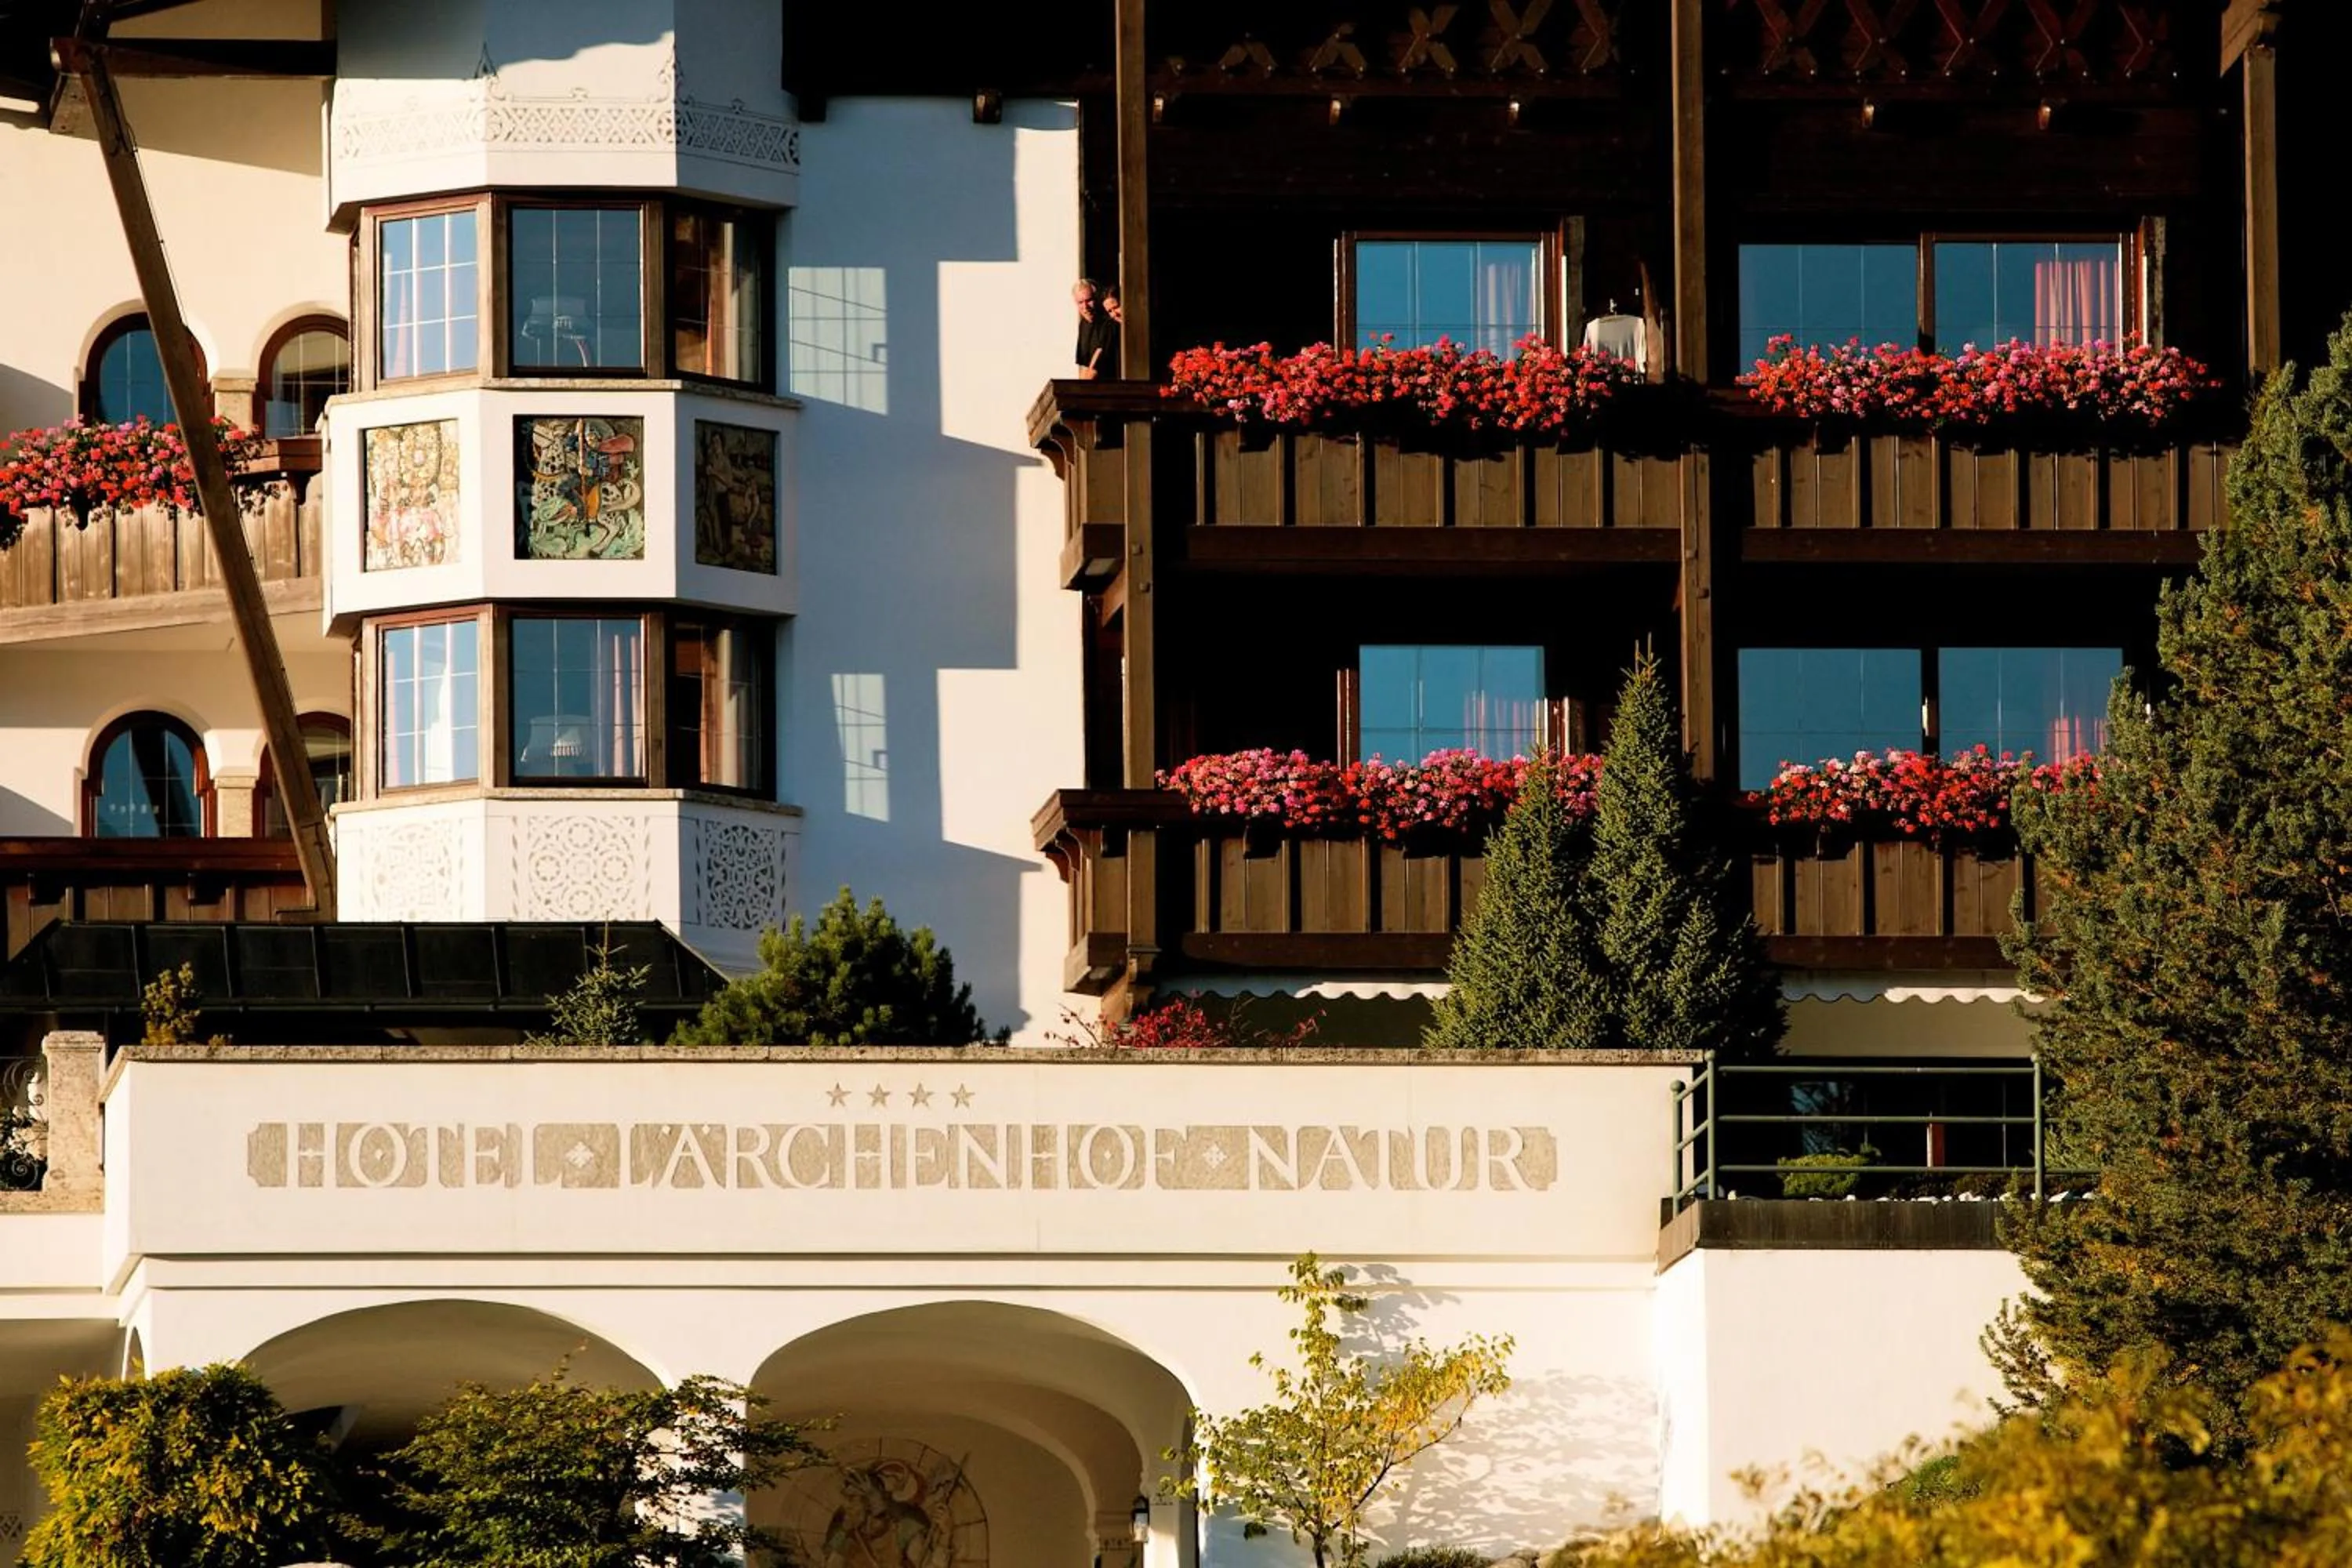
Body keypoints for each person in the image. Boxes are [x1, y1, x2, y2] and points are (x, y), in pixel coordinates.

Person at [1074, 278, 1116, 378]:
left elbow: (1095, 368)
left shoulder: (1108, 322)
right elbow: (1084, 366)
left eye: (1089, 301)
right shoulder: (1083, 325)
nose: (1085, 306)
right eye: (1080, 302)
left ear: (1097, 298)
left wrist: (1081, 390)